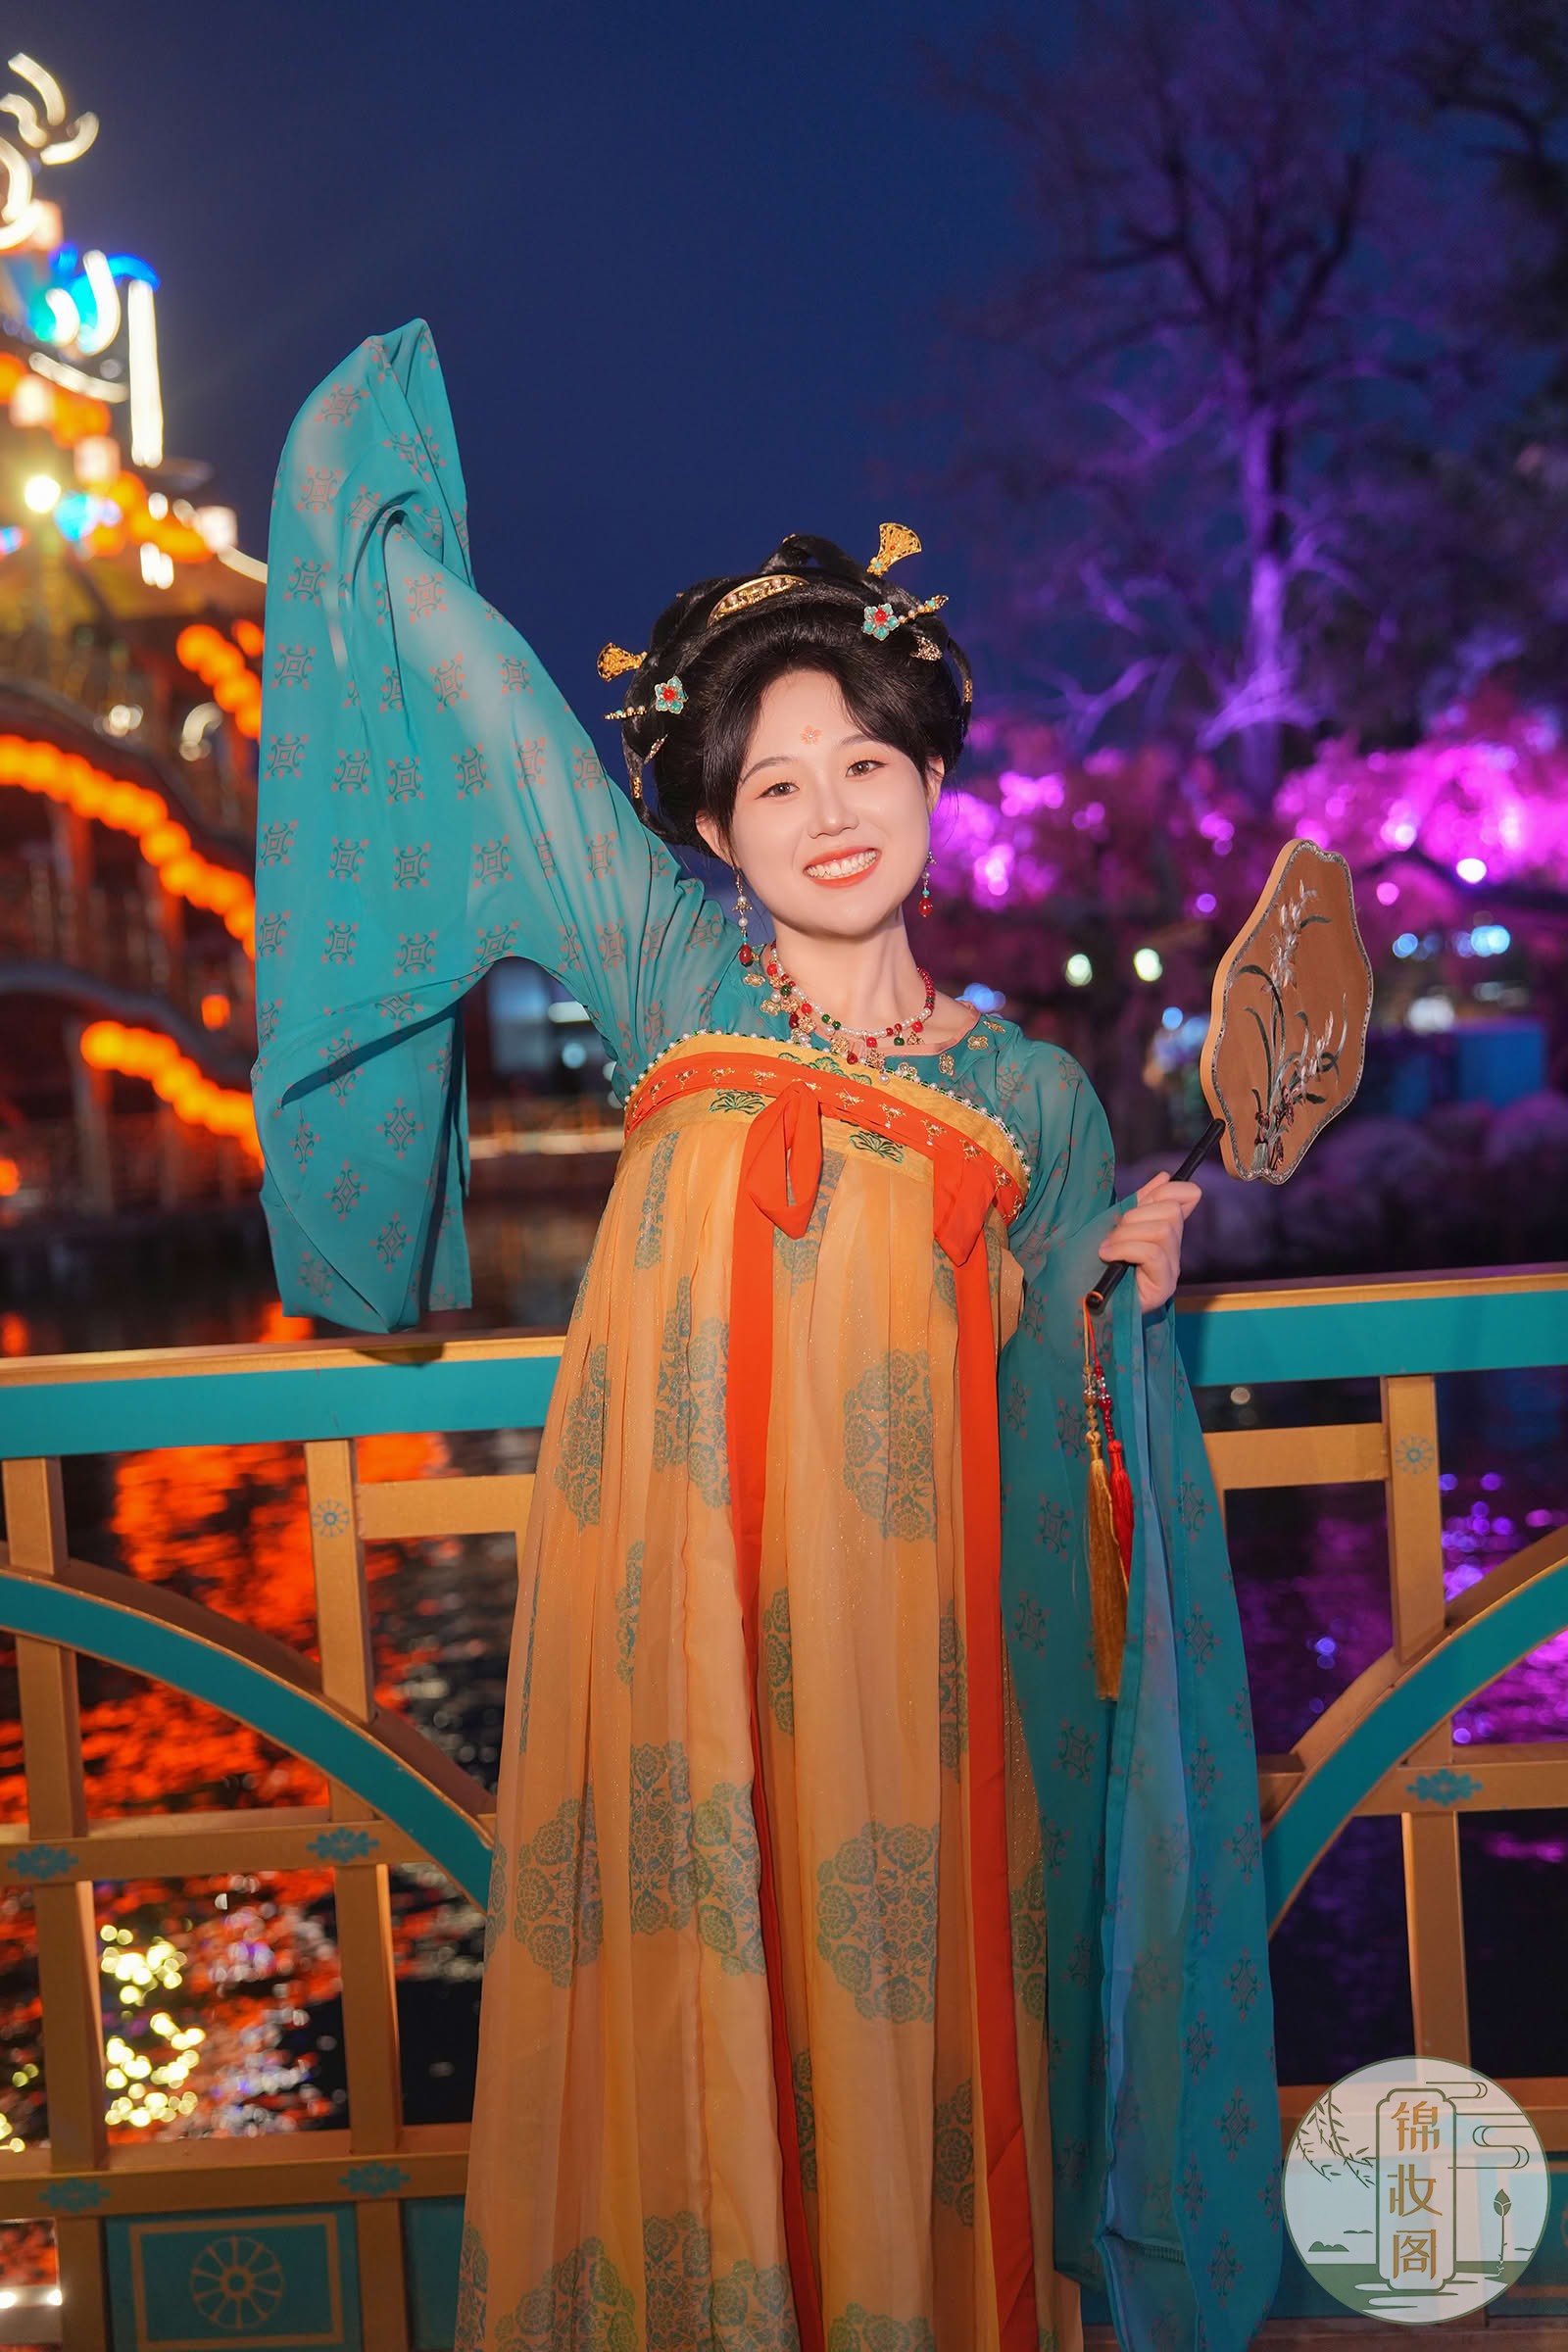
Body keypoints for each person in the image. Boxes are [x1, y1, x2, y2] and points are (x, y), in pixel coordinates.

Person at [253, 321, 1281, 2352]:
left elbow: (1057, 1442)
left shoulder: (1031, 1096)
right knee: (708, 2038)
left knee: (926, 2061)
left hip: (931, 1693)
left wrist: (1124, 1296)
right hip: (697, 1671)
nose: (827, 814)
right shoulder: (670, 975)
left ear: (932, 782)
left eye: (865, 766)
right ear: (713, 832)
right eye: (772, 783)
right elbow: (495, 717)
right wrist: (367, 520)